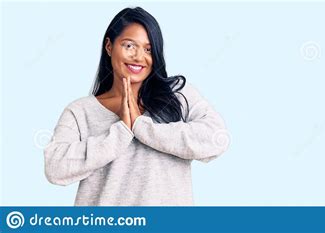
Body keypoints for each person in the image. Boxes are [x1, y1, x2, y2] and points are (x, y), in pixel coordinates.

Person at [43, 7, 229, 206]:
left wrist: (141, 127)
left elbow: (217, 139)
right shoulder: (80, 111)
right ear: (109, 46)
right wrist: (120, 132)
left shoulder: (178, 95)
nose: (139, 57)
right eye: (129, 46)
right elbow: (55, 168)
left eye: (148, 49)